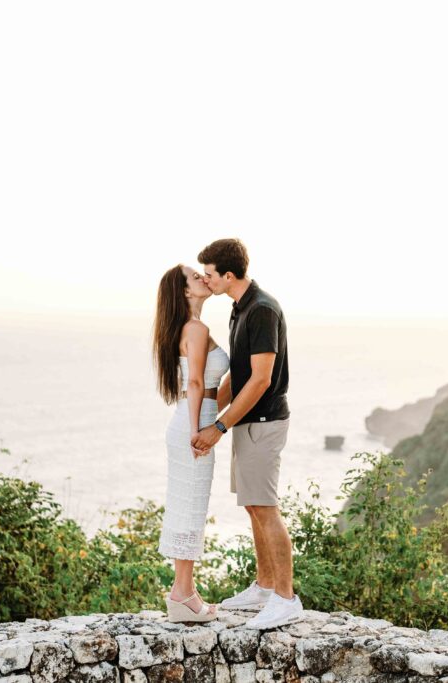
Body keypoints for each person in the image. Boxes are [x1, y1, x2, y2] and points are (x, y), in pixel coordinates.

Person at [191, 238, 303, 630]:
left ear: (229, 275)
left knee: (266, 507)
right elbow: (238, 376)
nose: (206, 281)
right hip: (247, 422)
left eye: (209, 274)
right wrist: (207, 412)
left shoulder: (262, 310)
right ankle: (264, 586)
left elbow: (259, 381)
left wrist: (218, 427)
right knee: (253, 505)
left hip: (265, 421)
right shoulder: (240, 308)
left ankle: (286, 598)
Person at [152, 263, 229, 623]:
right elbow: (197, 383)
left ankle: (185, 590)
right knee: (190, 506)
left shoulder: (184, 328)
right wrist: (201, 430)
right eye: (194, 277)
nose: (202, 278)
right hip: (193, 422)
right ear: (184, 291)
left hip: (189, 419)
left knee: (188, 505)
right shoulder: (195, 329)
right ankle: (181, 594)